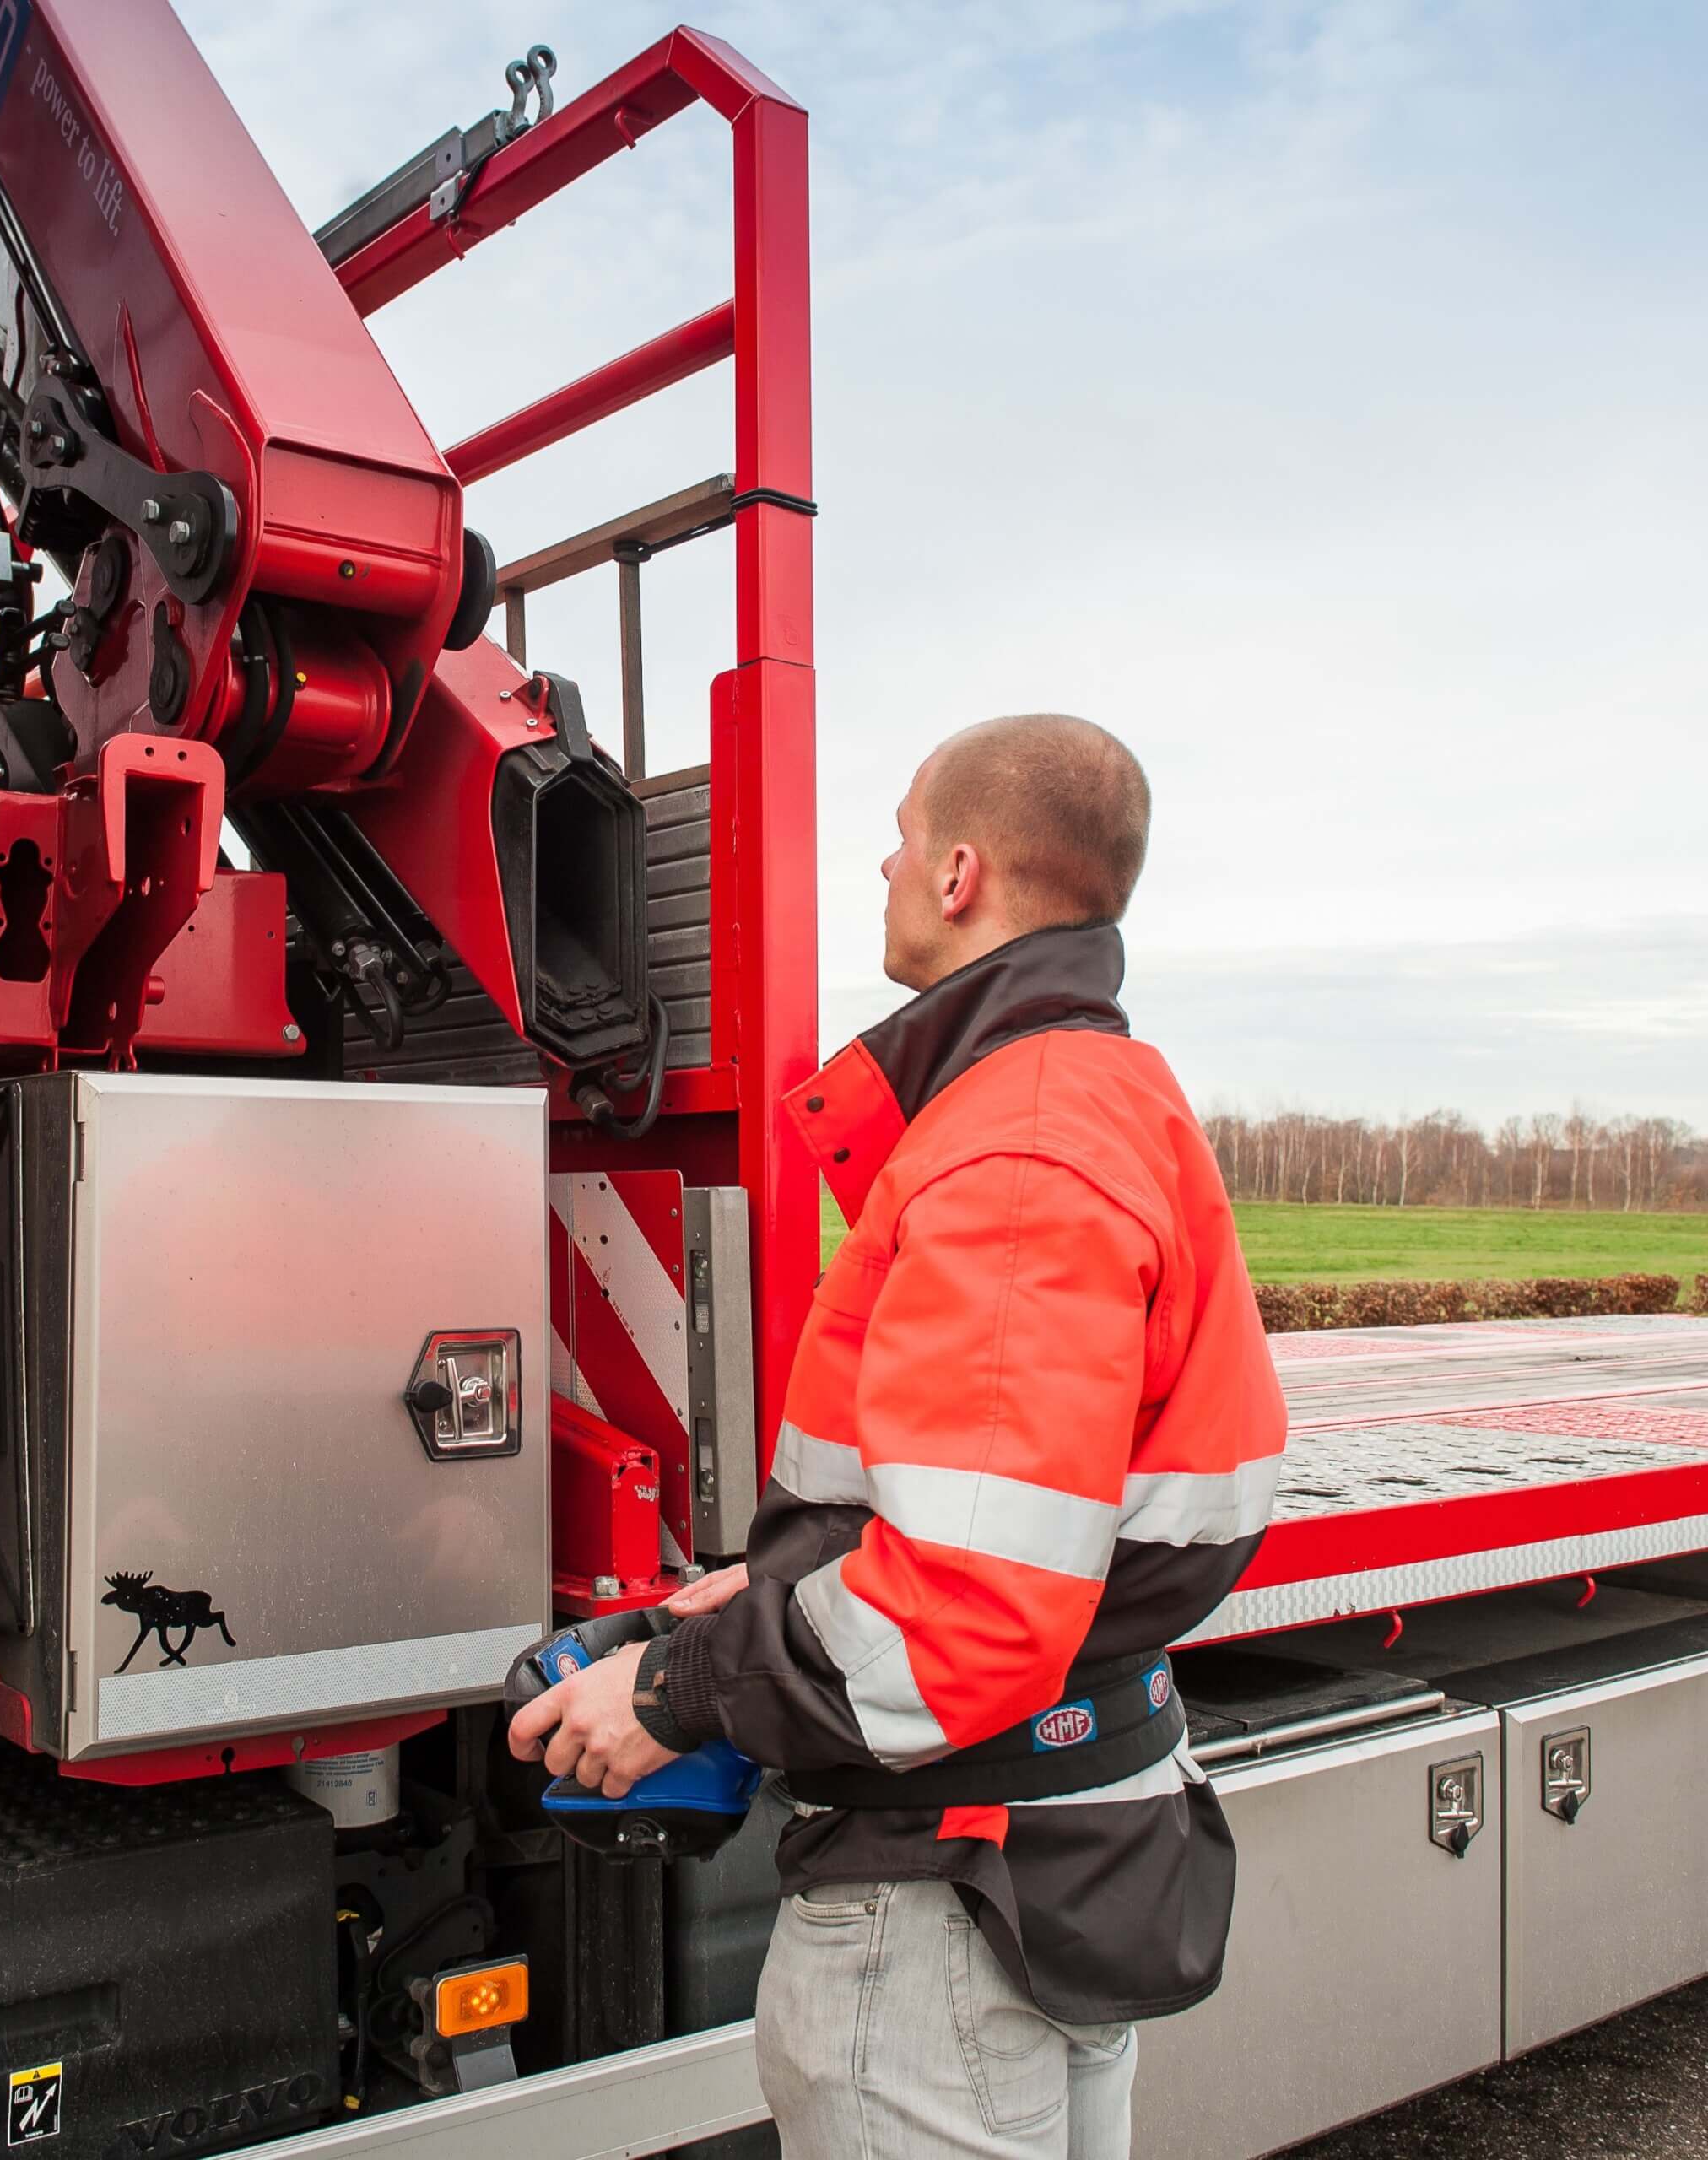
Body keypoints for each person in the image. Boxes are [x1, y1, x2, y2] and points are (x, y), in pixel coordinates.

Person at [507, 711, 1287, 2159]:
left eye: (903, 833)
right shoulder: (1103, 1100)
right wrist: (766, 1591)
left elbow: (966, 1618)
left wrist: (675, 1696)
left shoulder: (1013, 1156)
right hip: (1051, 1856)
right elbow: (1020, 1521)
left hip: (948, 1918)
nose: (878, 859)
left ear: (960, 878)